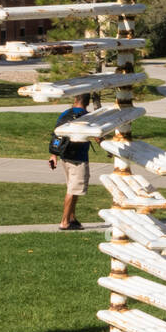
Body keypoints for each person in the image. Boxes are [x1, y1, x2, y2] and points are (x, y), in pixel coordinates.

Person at [50, 93, 97, 230]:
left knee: (74, 188)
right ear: (88, 102)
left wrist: (53, 154)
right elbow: (97, 136)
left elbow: (57, 133)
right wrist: (108, 149)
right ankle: (64, 222)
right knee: (73, 189)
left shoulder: (65, 113)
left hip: (65, 156)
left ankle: (72, 218)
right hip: (79, 157)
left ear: (75, 99)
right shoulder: (87, 116)